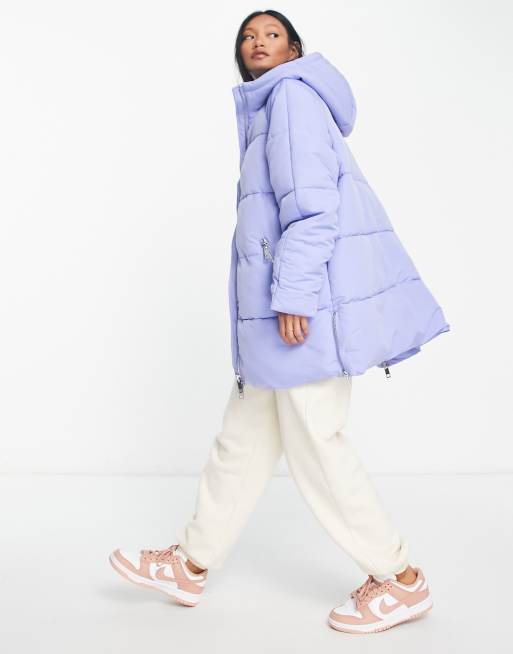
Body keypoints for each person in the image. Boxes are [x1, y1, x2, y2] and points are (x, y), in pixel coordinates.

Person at [109, 9, 450, 634]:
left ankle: (400, 579)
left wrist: (294, 294)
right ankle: (191, 563)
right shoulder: (270, 107)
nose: (257, 41)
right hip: (276, 315)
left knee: (317, 441)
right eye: (248, 36)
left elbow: (313, 208)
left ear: (294, 50)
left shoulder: (291, 97)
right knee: (242, 441)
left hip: (297, 310)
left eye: (271, 34)